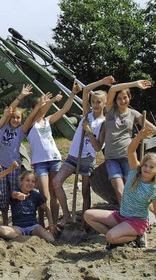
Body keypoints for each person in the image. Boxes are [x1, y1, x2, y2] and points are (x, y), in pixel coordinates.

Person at [84, 127, 156, 250]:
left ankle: (137, 236)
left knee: (111, 237)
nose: (146, 168)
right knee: (88, 215)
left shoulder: (154, 191)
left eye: (151, 167)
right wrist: (139, 136)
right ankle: (117, 236)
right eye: (145, 165)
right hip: (121, 216)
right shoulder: (135, 172)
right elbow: (130, 151)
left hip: (136, 222)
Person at [50, 76, 113, 224]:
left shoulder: (104, 124)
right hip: (72, 156)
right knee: (56, 182)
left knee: (85, 192)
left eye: (98, 102)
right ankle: (66, 215)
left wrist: (89, 131)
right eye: (93, 102)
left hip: (87, 159)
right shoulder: (87, 114)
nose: (95, 104)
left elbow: (97, 147)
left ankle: (86, 220)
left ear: (104, 104)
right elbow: (86, 90)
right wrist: (102, 82)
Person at [26, 84, 79, 226]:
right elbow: (37, 113)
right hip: (39, 162)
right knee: (44, 195)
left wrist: (72, 94)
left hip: (54, 159)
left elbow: (64, 109)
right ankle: (41, 221)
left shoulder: (48, 120)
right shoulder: (29, 124)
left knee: (54, 193)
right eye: (40, 106)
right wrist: (50, 101)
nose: (43, 109)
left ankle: (54, 223)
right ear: (33, 109)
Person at [0, 85, 36, 225]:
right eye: (13, 117)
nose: (15, 119)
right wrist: (20, 96)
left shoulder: (20, 131)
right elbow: (8, 112)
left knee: (15, 193)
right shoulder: (3, 127)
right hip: (1, 166)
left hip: (14, 167)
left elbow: (30, 119)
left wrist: (39, 106)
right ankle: (5, 222)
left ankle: (16, 220)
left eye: (18, 118)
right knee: (3, 196)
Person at [0, 171, 57, 242]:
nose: (30, 183)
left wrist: (51, 224)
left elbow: (47, 210)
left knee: (51, 239)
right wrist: (18, 195)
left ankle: (21, 238)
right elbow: (14, 194)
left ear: (35, 184)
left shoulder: (36, 195)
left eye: (33, 181)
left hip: (33, 226)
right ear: (21, 181)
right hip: (18, 227)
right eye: (27, 180)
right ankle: (22, 237)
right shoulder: (15, 191)